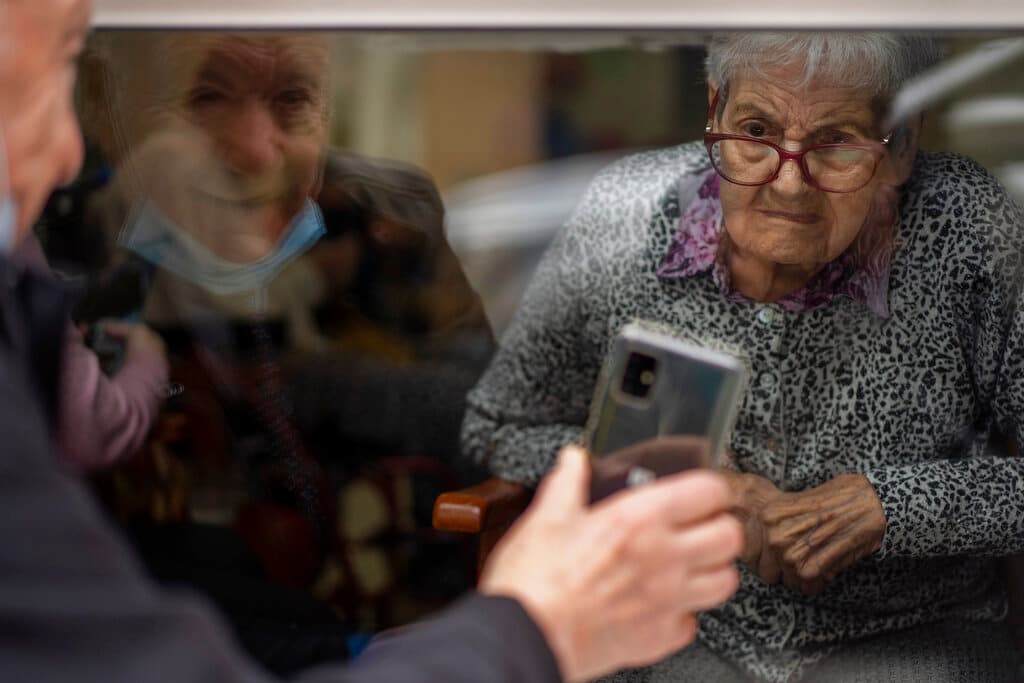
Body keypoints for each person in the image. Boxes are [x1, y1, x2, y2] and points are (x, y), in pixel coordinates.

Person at [0, 0, 744, 682]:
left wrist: (312, 371)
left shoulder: (383, 222)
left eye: (294, 101)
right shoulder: (58, 267)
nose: (260, 149)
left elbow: (478, 416)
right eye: (206, 98)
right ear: (112, 111)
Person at [463, 32, 1024, 682]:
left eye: (835, 141)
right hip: (680, 630)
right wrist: (683, 480)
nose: (788, 184)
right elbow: (502, 425)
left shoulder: (966, 229)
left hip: (910, 640)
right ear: (715, 111)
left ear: (897, 145)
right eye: (756, 130)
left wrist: (895, 505)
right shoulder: (624, 215)